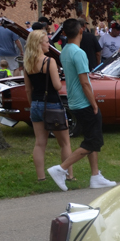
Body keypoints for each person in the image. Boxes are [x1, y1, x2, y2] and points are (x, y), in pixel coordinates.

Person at [46, 18, 116, 191]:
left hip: (74, 102)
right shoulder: (78, 53)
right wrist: (94, 104)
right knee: (94, 141)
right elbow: (84, 82)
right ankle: (61, 169)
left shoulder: (65, 52)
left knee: (90, 138)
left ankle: (95, 176)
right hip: (83, 102)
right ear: (81, 31)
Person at [23, 29, 73, 183]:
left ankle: (41, 177)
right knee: (64, 142)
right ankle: (69, 175)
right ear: (39, 44)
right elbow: (57, 86)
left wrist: (33, 105)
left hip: (36, 104)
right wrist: (57, 74)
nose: (48, 44)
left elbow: (27, 89)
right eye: (46, 42)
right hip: (52, 103)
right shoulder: (49, 61)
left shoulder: (27, 63)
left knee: (39, 142)